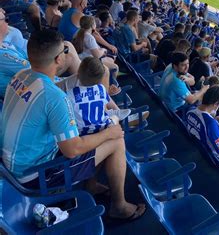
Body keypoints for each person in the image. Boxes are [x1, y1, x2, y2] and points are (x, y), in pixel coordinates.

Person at [0, 29, 145, 220]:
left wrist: (78, 78)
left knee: (98, 130)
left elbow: (52, 87)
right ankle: (119, 206)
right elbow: (72, 149)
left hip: (14, 163)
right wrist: (111, 133)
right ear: (59, 59)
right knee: (116, 139)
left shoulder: (22, 75)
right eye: (65, 52)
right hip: (34, 175)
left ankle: (92, 185)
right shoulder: (55, 99)